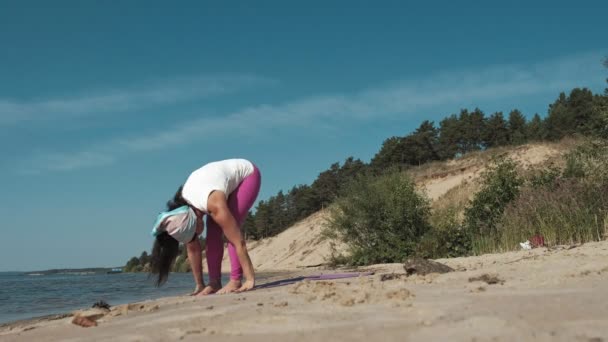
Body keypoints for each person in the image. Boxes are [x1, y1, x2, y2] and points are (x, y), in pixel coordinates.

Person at [149, 158, 261, 295]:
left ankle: (235, 280)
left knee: (231, 230)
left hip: (247, 175)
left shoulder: (213, 204)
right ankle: (214, 282)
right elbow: (192, 248)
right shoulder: (184, 210)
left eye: (196, 235)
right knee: (212, 236)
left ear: (195, 222)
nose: (198, 236)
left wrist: (249, 279)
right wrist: (199, 285)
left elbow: (238, 241)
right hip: (214, 186)